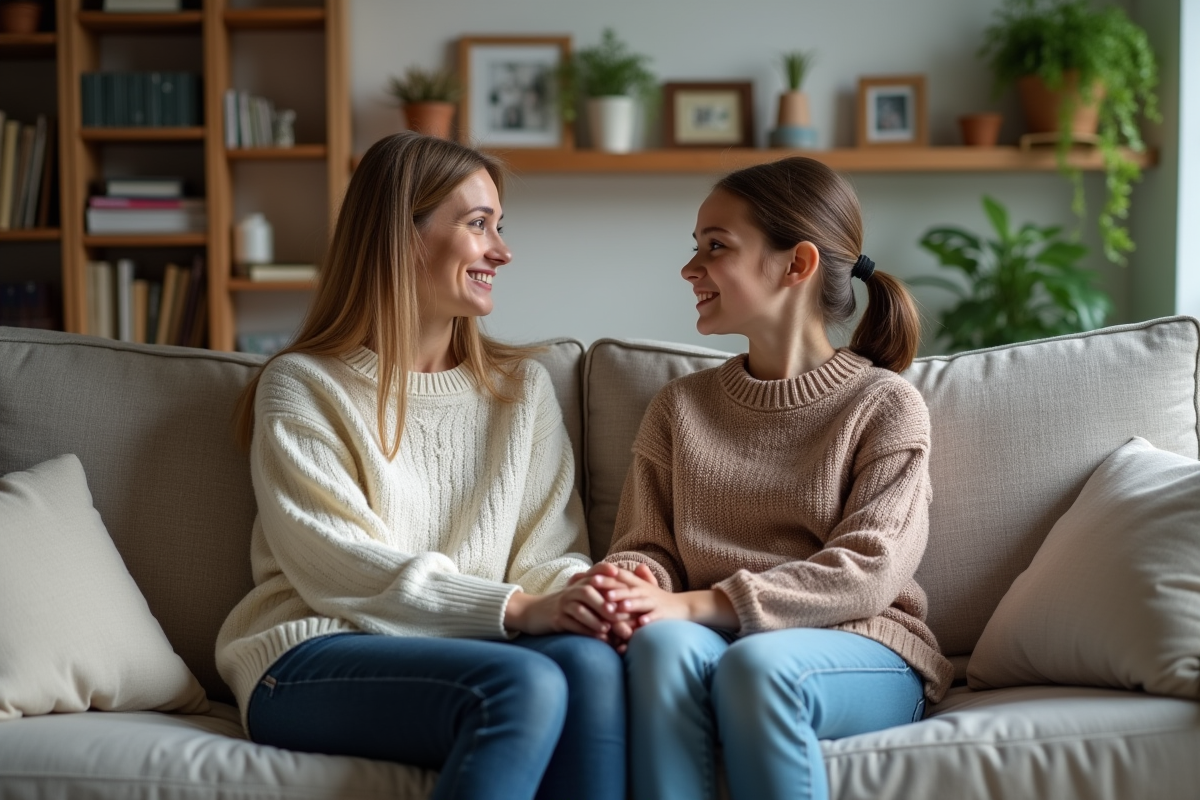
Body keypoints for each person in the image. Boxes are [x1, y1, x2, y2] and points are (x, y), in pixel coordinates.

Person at [215, 131, 625, 800]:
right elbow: (340, 565)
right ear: (403, 237)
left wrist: (584, 599)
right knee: (520, 685)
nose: (502, 251)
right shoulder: (304, 386)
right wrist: (519, 609)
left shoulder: (522, 391)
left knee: (591, 663)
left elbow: (549, 552)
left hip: (473, 649)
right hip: (310, 654)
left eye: (499, 226)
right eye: (478, 224)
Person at [592, 156, 955, 800]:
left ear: (797, 264)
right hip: (716, 639)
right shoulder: (680, 407)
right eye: (695, 246)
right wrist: (635, 585)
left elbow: (870, 568)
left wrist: (696, 605)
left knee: (758, 668)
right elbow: (648, 547)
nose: (690, 268)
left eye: (716, 246)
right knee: (657, 650)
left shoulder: (885, 405)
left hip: (861, 645)